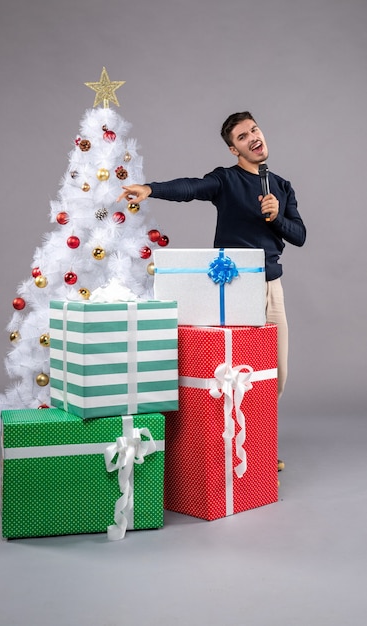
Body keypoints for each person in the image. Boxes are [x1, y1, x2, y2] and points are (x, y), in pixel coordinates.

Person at [117, 112, 306, 466]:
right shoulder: (226, 180)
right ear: (234, 149)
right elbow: (190, 188)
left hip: (268, 287)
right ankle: (226, 449)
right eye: (241, 136)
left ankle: (257, 444)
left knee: (274, 373)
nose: (252, 137)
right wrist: (151, 189)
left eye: (254, 130)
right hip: (232, 288)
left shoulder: (281, 186)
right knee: (232, 370)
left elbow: (299, 236)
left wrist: (276, 216)